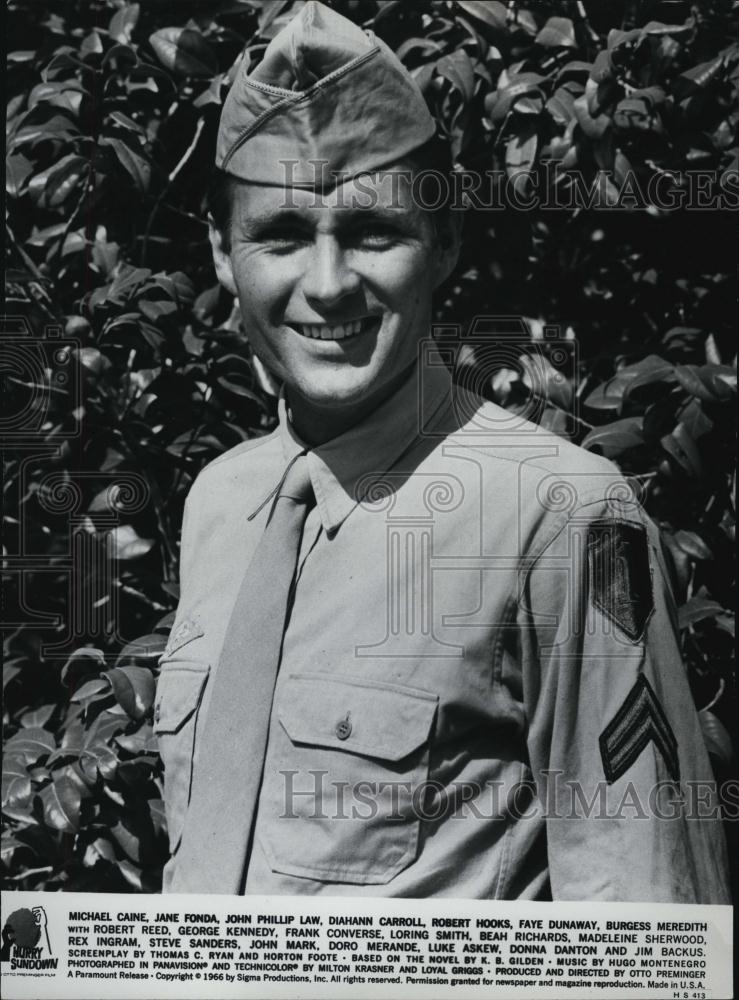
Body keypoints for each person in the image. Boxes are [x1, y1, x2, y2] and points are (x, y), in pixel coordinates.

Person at [155, 1, 729, 900]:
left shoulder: (560, 515)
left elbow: (646, 929)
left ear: (446, 241)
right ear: (224, 256)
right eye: (281, 236)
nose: (329, 283)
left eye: (373, 231)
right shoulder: (220, 504)